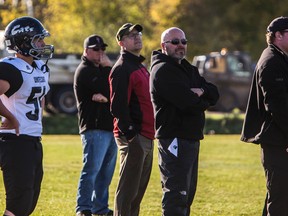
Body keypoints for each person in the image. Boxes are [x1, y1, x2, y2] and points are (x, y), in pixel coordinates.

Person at [150, 27, 219, 216]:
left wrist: (202, 92)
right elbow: (188, 103)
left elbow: (214, 92)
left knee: (187, 194)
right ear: (164, 46)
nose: (180, 45)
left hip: (190, 138)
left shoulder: (187, 68)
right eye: (175, 42)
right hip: (174, 138)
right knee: (176, 193)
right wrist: (199, 97)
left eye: (183, 41)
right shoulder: (163, 70)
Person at [0, 16, 54, 216]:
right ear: (23, 42)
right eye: (38, 39)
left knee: (29, 201)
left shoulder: (39, 67)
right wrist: (10, 117)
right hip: (14, 141)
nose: (43, 44)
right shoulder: (11, 68)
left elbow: (39, 96)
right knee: (18, 204)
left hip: (32, 139)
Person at [241, 16, 288, 216]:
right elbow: (276, 106)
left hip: (280, 139)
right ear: (278, 35)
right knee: (280, 199)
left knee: (278, 195)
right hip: (277, 141)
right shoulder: (271, 61)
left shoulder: (280, 58)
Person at [109, 23, 155, 216]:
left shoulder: (138, 65)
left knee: (137, 191)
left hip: (146, 135)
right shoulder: (122, 68)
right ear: (121, 42)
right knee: (127, 191)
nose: (137, 37)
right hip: (134, 137)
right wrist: (132, 136)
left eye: (138, 34)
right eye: (130, 35)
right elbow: (117, 106)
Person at [74, 35, 117, 216]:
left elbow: (114, 91)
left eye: (102, 49)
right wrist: (109, 67)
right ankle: (83, 208)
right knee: (91, 170)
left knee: (105, 174)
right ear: (86, 51)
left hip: (109, 127)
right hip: (94, 128)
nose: (100, 53)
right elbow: (107, 87)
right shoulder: (84, 70)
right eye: (96, 49)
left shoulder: (101, 70)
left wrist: (105, 96)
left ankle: (99, 208)